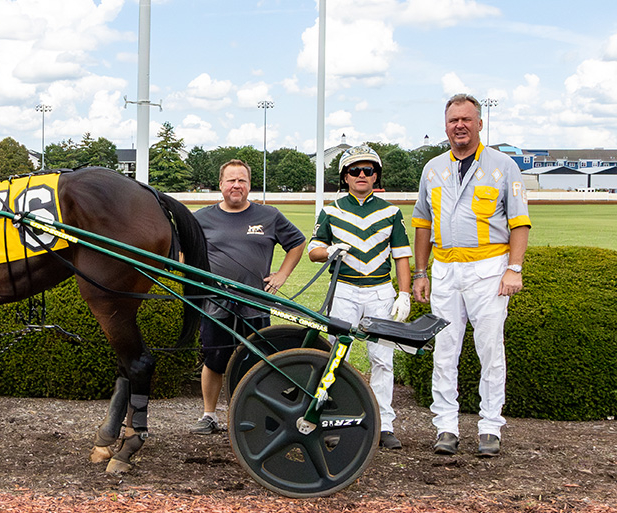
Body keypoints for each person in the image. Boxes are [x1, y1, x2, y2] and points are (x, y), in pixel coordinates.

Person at [412, 94, 531, 458]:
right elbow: (421, 223)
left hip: (489, 270)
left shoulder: (504, 166)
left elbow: (519, 221)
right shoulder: (432, 168)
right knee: (444, 352)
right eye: (453, 120)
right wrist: (420, 272)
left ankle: (490, 426)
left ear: (480, 123)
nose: (459, 126)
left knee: (490, 350)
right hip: (446, 270)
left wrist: (514, 268)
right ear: (445, 126)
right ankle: (445, 426)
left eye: (466, 119)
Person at [308, 144, 413, 450]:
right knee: (335, 356)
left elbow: (402, 256)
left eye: (368, 170)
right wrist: (328, 251)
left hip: (380, 291)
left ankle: (384, 423)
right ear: (345, 176)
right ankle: (330, 419)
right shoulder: (331, 210)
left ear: (376, 174)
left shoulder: (391, 211)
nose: (362, 175)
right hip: (343, 291)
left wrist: (403, 293)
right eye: (355, 170)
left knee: (382, 359)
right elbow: (313, 250)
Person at [190, 159, 305, 434]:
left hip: (255, 303)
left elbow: (298, 243)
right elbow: (184, 253)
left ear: (249, 185)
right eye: (231, 180)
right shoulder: (200, 218)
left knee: (255, 361)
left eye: (241, 180)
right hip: (215, 303)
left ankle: (250, 415)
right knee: (214, 360)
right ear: (220, 185)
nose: (236, 185)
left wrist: (282, 275)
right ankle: (209, 415)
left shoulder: (269, 216)